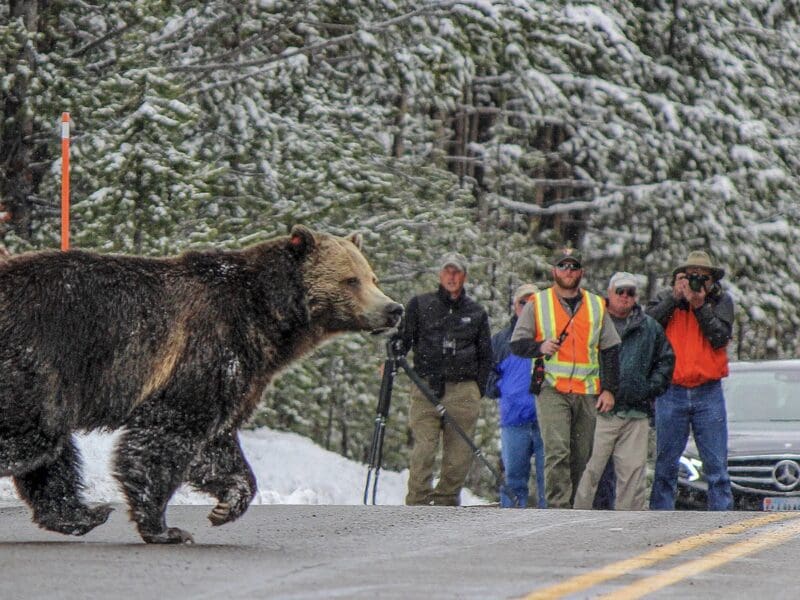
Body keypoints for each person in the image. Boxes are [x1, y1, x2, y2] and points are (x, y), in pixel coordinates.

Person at [510, 247, 621, 509]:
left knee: (581, 456)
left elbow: (611, 348)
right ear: (554, 271)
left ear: (581, 272)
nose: (568, 272)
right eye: (563, 266)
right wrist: (540, 347)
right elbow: (517, 343)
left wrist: (610, 389)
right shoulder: (538, 303)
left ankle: (569, 507)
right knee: (557, 451)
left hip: (586, 389)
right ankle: (557, 508)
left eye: (573, 267)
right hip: (551, 387)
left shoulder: (596, 305)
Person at [573, 272, 675, 510]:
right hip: (598, 411)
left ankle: (630, 530)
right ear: (609, 294)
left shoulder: (649, 327)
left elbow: (666, 360)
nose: (625, 297)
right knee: (589, 472)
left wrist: (649, 388)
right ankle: (574, 520)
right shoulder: (592, 321)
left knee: (633, 476)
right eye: (620, 291)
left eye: (630, 292)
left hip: (635, 412)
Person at [400, 252, 493, 506]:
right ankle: (417, 502)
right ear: (440, 275)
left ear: (464, 276)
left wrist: (476, 389)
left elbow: (486, 355)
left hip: (463, 390)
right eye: (447, 271)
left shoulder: (476, 313)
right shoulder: (420, 305)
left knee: (458, 456)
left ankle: (446, 503)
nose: (451, 277)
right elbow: (403, 340)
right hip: (426, 386)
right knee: (425, 448)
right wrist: (392, 355)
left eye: (456, 272)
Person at [646, 250, 734, 511]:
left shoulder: (721, 302)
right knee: (665, 465)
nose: (697, 282)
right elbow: (646, 328)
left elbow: (719, 337)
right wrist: (675, 299)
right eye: (691, 276)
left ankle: (722, 520)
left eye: (702, 277)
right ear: (679, 278)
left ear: (711, 281)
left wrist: (699, 306)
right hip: (672, 391)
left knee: (717, 466)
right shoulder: (666, 300)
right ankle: (660, 519)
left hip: (708, 391)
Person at [487, 283, 546, 508]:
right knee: (513, 482)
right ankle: (508, 528)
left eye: (533, 303)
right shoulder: (502, 340)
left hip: (546, 421)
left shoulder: (549, 337)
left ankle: (552, 531)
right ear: (515, 306)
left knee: (548, 482)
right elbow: (487, 375)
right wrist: (502, 387)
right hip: (514, 421)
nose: (528, 307)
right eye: (523, 302)